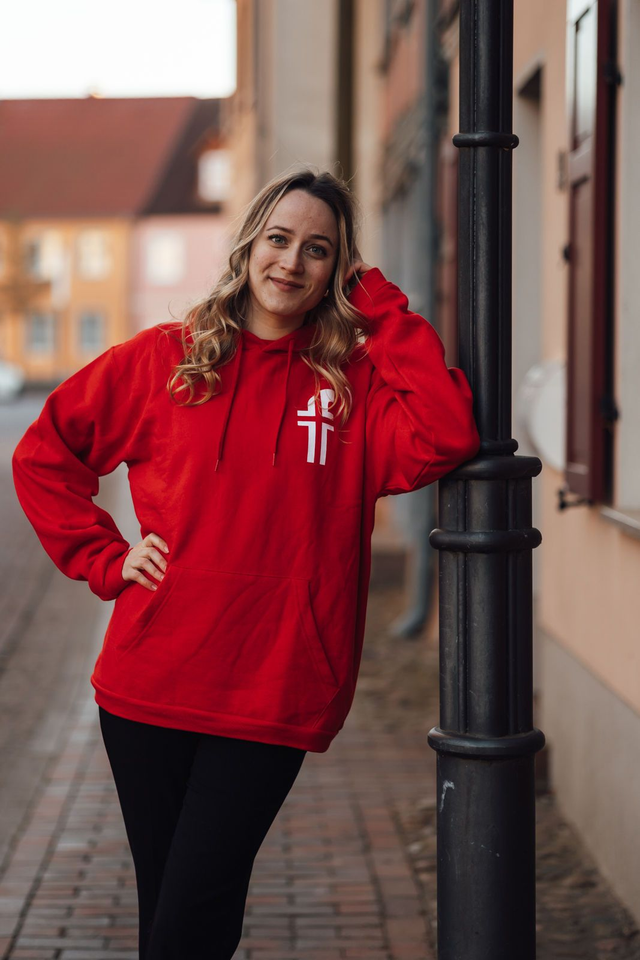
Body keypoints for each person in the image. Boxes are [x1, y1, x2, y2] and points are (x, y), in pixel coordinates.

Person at [12, 167, 481, 959]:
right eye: (279, 239)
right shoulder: (166, 360)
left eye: (318, 250)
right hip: (150, 683)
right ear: (249, 244)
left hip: (276, 685)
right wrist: (105, 557)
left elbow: (446, 434)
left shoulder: (350, 385)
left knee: (192, 912)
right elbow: (44, 454)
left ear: (338, 270)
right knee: (175, 913)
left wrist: (378, 305)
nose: (292, 262)